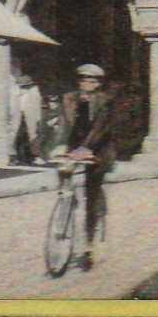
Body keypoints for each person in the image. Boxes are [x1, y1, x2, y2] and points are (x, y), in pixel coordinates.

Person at [61, 63, 116, 269]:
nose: (87, 84)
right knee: (63, 176)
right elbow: (59, 123)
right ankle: (65, 207)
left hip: (98, 150)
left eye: (92, 81)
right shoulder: (68, 98)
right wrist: (48, 146)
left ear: (99, 84)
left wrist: (85, 148)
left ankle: (90, 244)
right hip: (73, 147)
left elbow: (99, 129)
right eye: (84, 80)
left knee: (91, 198)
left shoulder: (105, 101)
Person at [12, 73, 44, 165]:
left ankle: (34, 156)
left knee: (32, 137)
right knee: (19, 138)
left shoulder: (34, 92)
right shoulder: (18, 92)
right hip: (21, 118)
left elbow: (36, 107)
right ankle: (19, 157)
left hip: (31, 119)